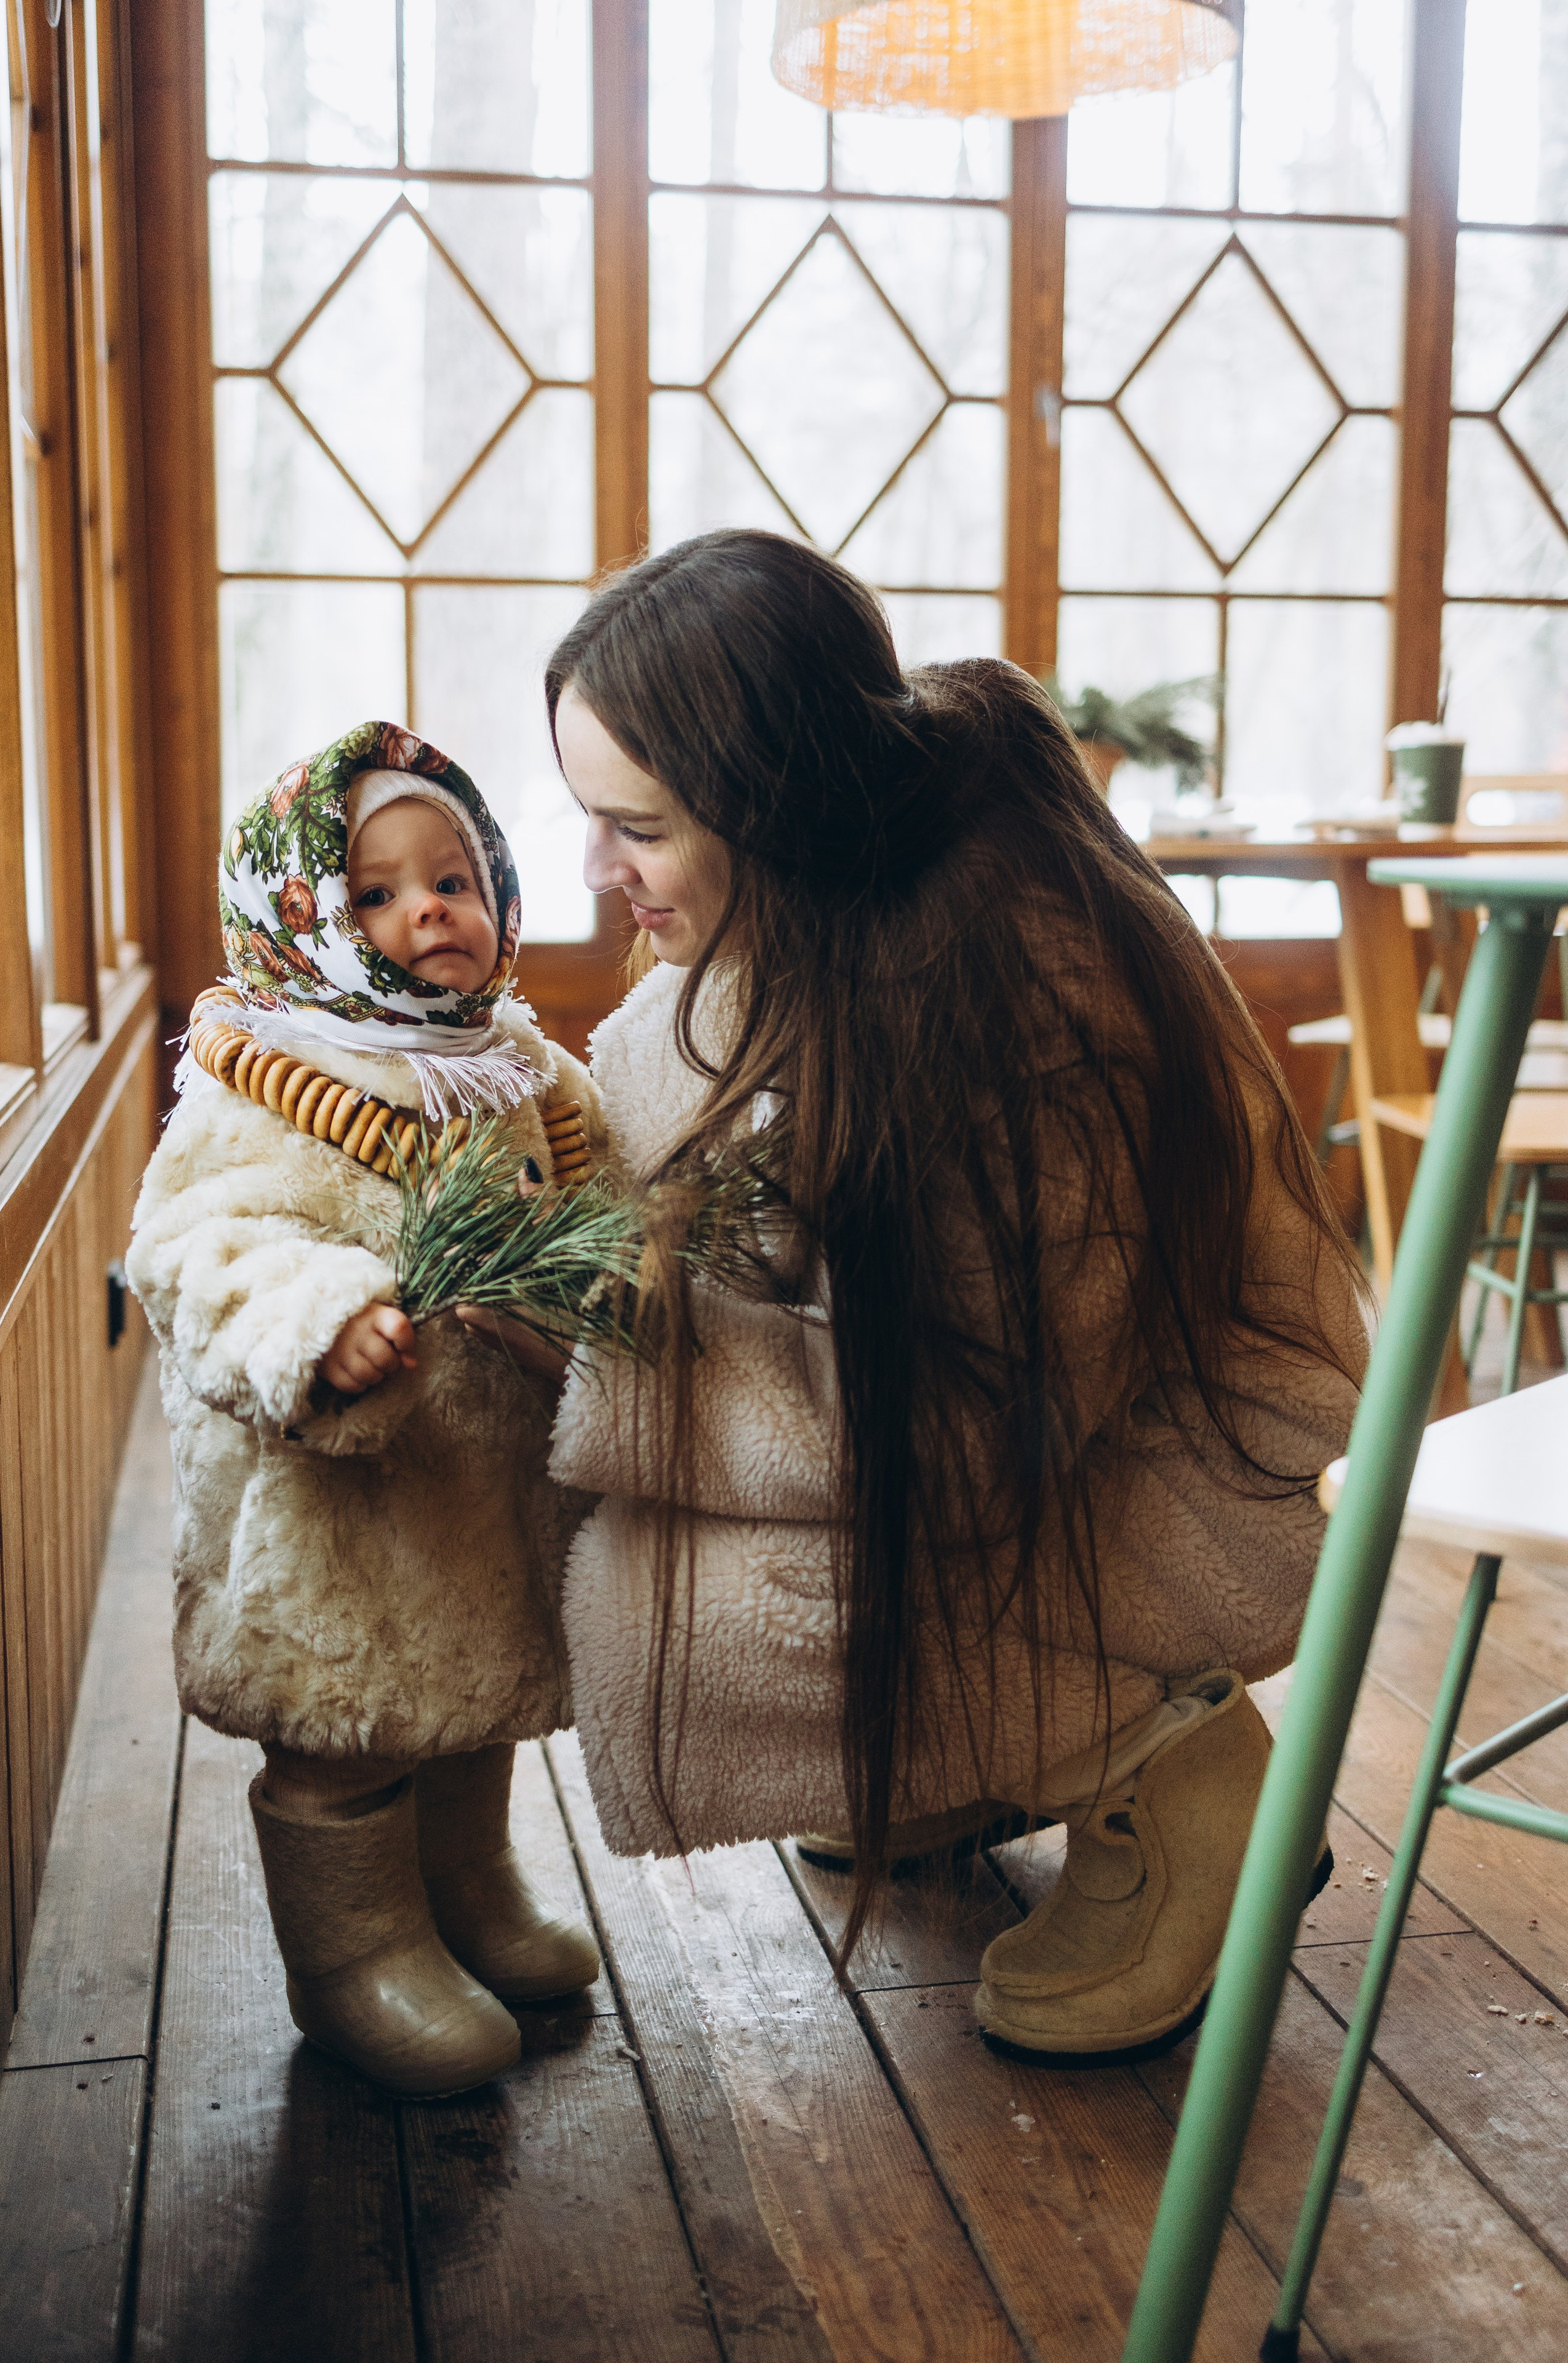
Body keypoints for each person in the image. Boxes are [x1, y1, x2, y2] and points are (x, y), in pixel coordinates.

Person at [502, 531, 1367, 2066]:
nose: (592, 871)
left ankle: (1173, 1768)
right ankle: (976, 1760)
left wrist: (619, 1356)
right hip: (1050, 1441)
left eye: (635, 828)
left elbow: (961, 1449)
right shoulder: (837, 901)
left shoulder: (1019, 1013)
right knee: (635, 1514)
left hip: (1174, 1486)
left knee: (681, 1597)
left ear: (770, 808)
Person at [127, 720, 603, 2097]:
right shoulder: (266, 1081)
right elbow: (194, 1246)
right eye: (377, 893)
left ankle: (467, 1892)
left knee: (466, 1697)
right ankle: (354, 1958)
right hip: (332, 1504)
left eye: (453, 880)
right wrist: (317, 1322)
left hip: (479, 1487)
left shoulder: (518, 1067)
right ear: (305, 926)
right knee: (344, 1735)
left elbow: (600, 1200)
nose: (428, 912)